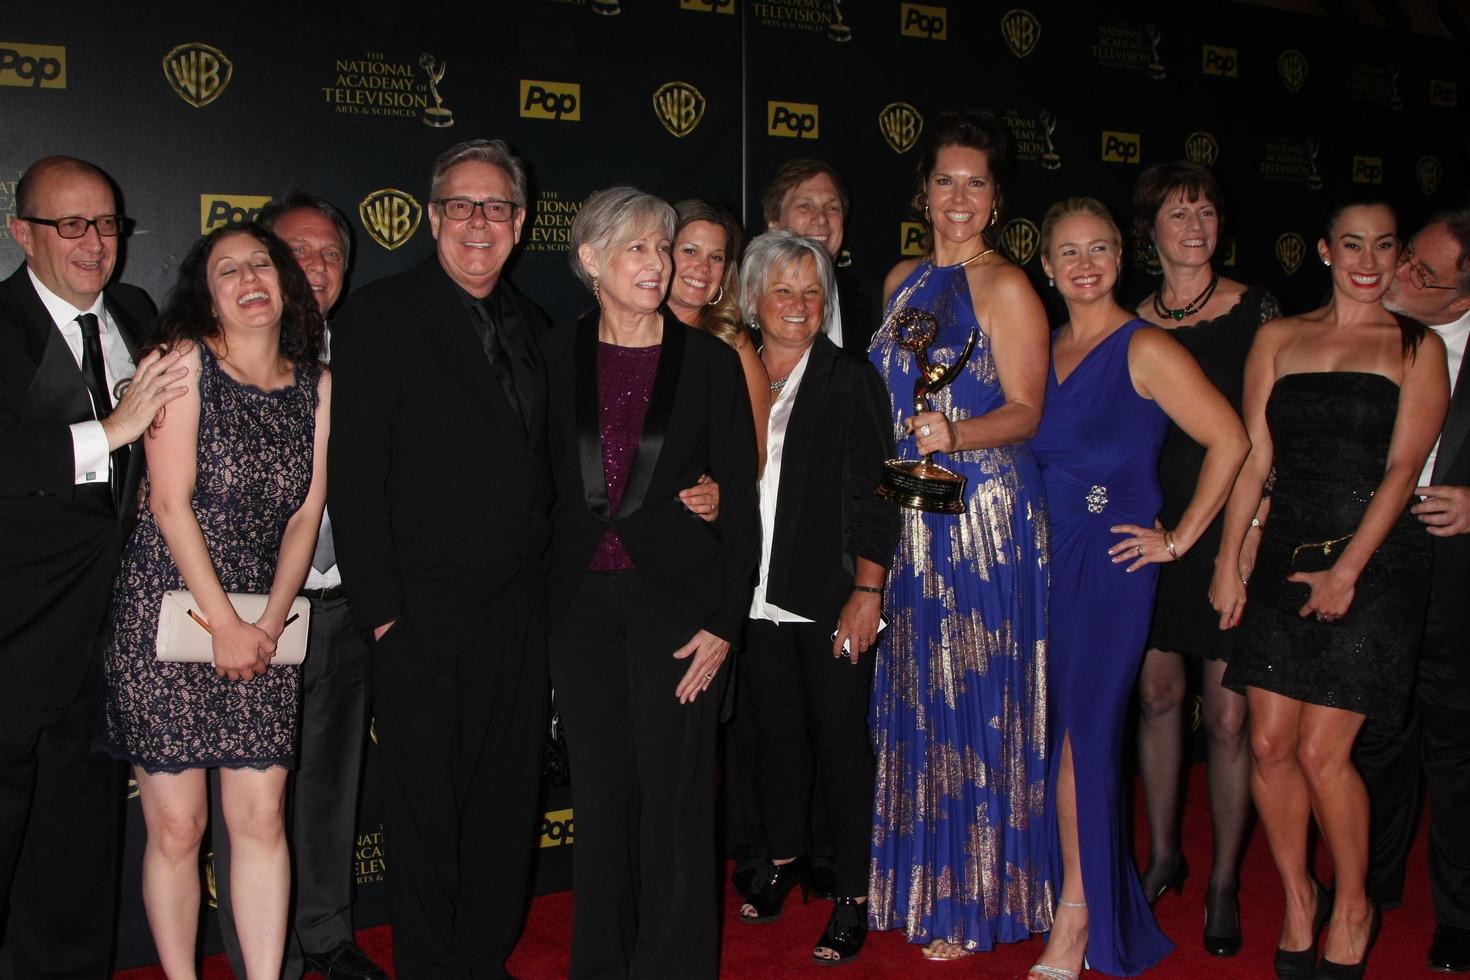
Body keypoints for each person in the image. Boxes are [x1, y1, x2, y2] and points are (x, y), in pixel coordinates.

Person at [327, 139, 552, 979]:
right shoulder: (382, 317)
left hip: (520, 608)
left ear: (523, 222)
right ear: (430, 217)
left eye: (496, 206)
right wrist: (382, 609)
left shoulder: (533, 325)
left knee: (504, 799)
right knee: (427, 808)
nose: (479, 223)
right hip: (420, 612)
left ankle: (484, 955)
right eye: (461, 205)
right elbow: (355, 475)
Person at [1214, 202, 1447, 979]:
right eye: (1353, 243)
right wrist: (1228, 557)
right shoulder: (1278, 337)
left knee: (1321, 752)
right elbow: (1253, 459)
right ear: (1323, 249)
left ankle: (1354, 902)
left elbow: (1402, 472)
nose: (1369, 259)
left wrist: (1349, 570)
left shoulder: (1417, 348)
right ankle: (1298, 898)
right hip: (1284, 549)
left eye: (1385, 245)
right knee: (1270, 743)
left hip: (1376, 560)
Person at [95, 220, 329, 980]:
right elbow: (169, 506)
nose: (249, 278)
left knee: (261, 819)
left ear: (285, 280)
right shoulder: (183, 364)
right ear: (207, 292)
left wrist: (265, 622)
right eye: (227, 269)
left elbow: (305, 513)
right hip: (167, 613)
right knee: (178, 826)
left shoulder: (317, 385)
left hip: (262, 621)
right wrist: (224, 624)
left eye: (261, 263)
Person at [541, 186, 758, 979]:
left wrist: (725, 622)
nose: (660, 264)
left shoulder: (708, 361)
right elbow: (538, 488)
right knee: (601, 804)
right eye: (639, 248)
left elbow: (740, 502)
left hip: (679, 609)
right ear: (592, 260)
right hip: (578, 610)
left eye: (664, 249)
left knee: (674, 805)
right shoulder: (553, 353)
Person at [1028, 196, 1247, 979]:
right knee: (1055, 743)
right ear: (1046, 266)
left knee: (1087, 740)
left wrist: (1179, 538)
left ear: (1122, 260)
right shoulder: (1041, 348)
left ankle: (1080, 920)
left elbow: (1231, 438)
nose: (1086, 266)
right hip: (1044, 565)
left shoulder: (1146, 348)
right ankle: (1078, 897)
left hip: (1113, 569)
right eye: (1069, 253)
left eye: (1100, 250)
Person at [867, 109, 1054, 962]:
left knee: (974, 696)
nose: (959, 197)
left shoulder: (1009, 285)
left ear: (997, 198)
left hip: (984, 517)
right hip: (911, 513)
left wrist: (956, 436)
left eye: (977, 183)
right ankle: (920, 883)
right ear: (922, 190)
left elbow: (1026, 409)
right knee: (918, 691)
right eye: (946, 180)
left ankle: (977, 895)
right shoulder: (901, 278)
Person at [0, 155, 188, 979]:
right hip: (11, 631)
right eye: (70, 224)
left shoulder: (136, 310)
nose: (94, 242)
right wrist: (108, 433)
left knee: (78, 851)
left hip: (107, 636)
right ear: (21, 233)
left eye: (107, 223)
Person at [210, 193, 388, 980]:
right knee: (251, 797)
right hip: (250, 613)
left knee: (330, 785)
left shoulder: (377, 354)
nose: (315, 268)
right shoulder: (218, 357)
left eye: (331, 256)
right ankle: (263, 957)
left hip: (346, 604)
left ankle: (326, 936)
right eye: (298, 252)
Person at [732, 231, 898, 966]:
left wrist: (868, 591)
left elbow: (877, 497)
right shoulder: (731, 368)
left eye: (811, 291)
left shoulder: (848, 377)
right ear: (754, 300)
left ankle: (853, 896)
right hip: (750, 593)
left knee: (839, 741)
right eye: (783, 290)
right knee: (778, 736)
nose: (798, 305)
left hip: (830, 594)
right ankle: (786, 856)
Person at [1129, 160, 1279, 957]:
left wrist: (1247, 542)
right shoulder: (1129, 316)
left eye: (1208, 213)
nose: (1195, 227)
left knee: (1226, 717)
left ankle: (1223, 879)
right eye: (1179, 214)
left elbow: (1266, 433)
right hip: (1150, 535)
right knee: (1156, 699)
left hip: (1226, 532)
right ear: (1149, 230)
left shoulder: (1254, 309)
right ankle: (1164, 855)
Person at [1355, 209, 1470, 974]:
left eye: (1422, 274)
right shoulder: (1362, 329)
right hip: (1374, 567)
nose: (1397, 275)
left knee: (1459, 756)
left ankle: (1460, 916)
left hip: (1460, 582)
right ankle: (1371, 884)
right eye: (1404, 257)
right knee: (1372, 742)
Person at [670, 198, 770, 465]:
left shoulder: (735, 345)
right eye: (690, 251)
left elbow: (756, 455)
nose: (703, 268)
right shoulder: (622, 333)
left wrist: (719, 492)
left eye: (716, 257)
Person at [764, 159, 876, 356]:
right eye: (805, 206)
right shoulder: (742, 304)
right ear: (774, 223)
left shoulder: (874, 300)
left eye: (832, 208)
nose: (821, 218)